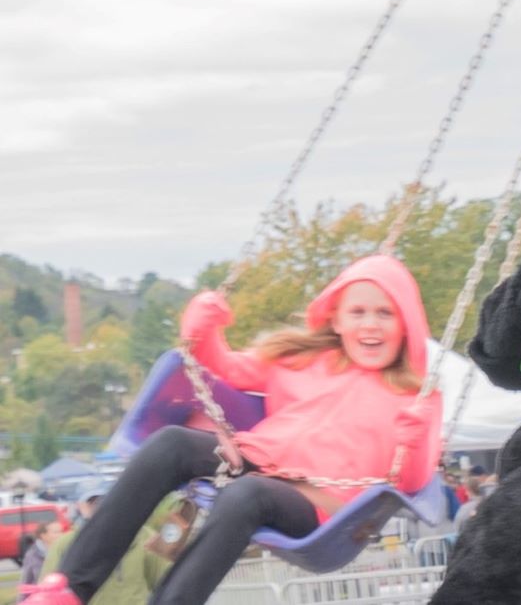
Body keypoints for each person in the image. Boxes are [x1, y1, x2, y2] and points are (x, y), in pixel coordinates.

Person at [30, 255, 444, 605]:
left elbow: (409, 481)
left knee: (249, 494)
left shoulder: (412, 392)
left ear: (405, 323)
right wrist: (202, 331)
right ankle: (70, 587)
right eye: (358, 312)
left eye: (385, 313)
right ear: (335, 320)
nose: (370, 324)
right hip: (256, 461)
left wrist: (418, 436)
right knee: (171, 444)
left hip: (322, 506)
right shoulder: (300, 361)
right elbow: (226, 367)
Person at [38, 495, 183, 605]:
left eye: (104, 500)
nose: (100, 507)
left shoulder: (144, 537)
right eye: (92, 502)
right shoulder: (65, 544)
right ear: (80, 506)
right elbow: (48, 593)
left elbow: (168, 581)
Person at [19, 522, 64, 593]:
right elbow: (26, 583)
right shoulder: (32, 555)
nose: (61, 535)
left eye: (61, 531)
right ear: (44, 536)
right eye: (56, 532)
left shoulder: (65, 551)